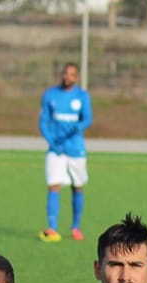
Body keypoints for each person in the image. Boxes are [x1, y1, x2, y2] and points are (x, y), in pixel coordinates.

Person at [38, 62, 92, 243]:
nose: (67, 77)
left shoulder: (82, 96)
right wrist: (52, 141)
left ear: (77, 77)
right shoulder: (50, 95)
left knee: (77, 186)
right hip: (56, 150)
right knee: (53, 185)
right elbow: (43, 121)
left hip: (76, 149)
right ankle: (52, 228)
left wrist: (77, 127)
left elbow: (88, 118)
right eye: (65, 73)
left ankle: (75, 227)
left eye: (71, 74)